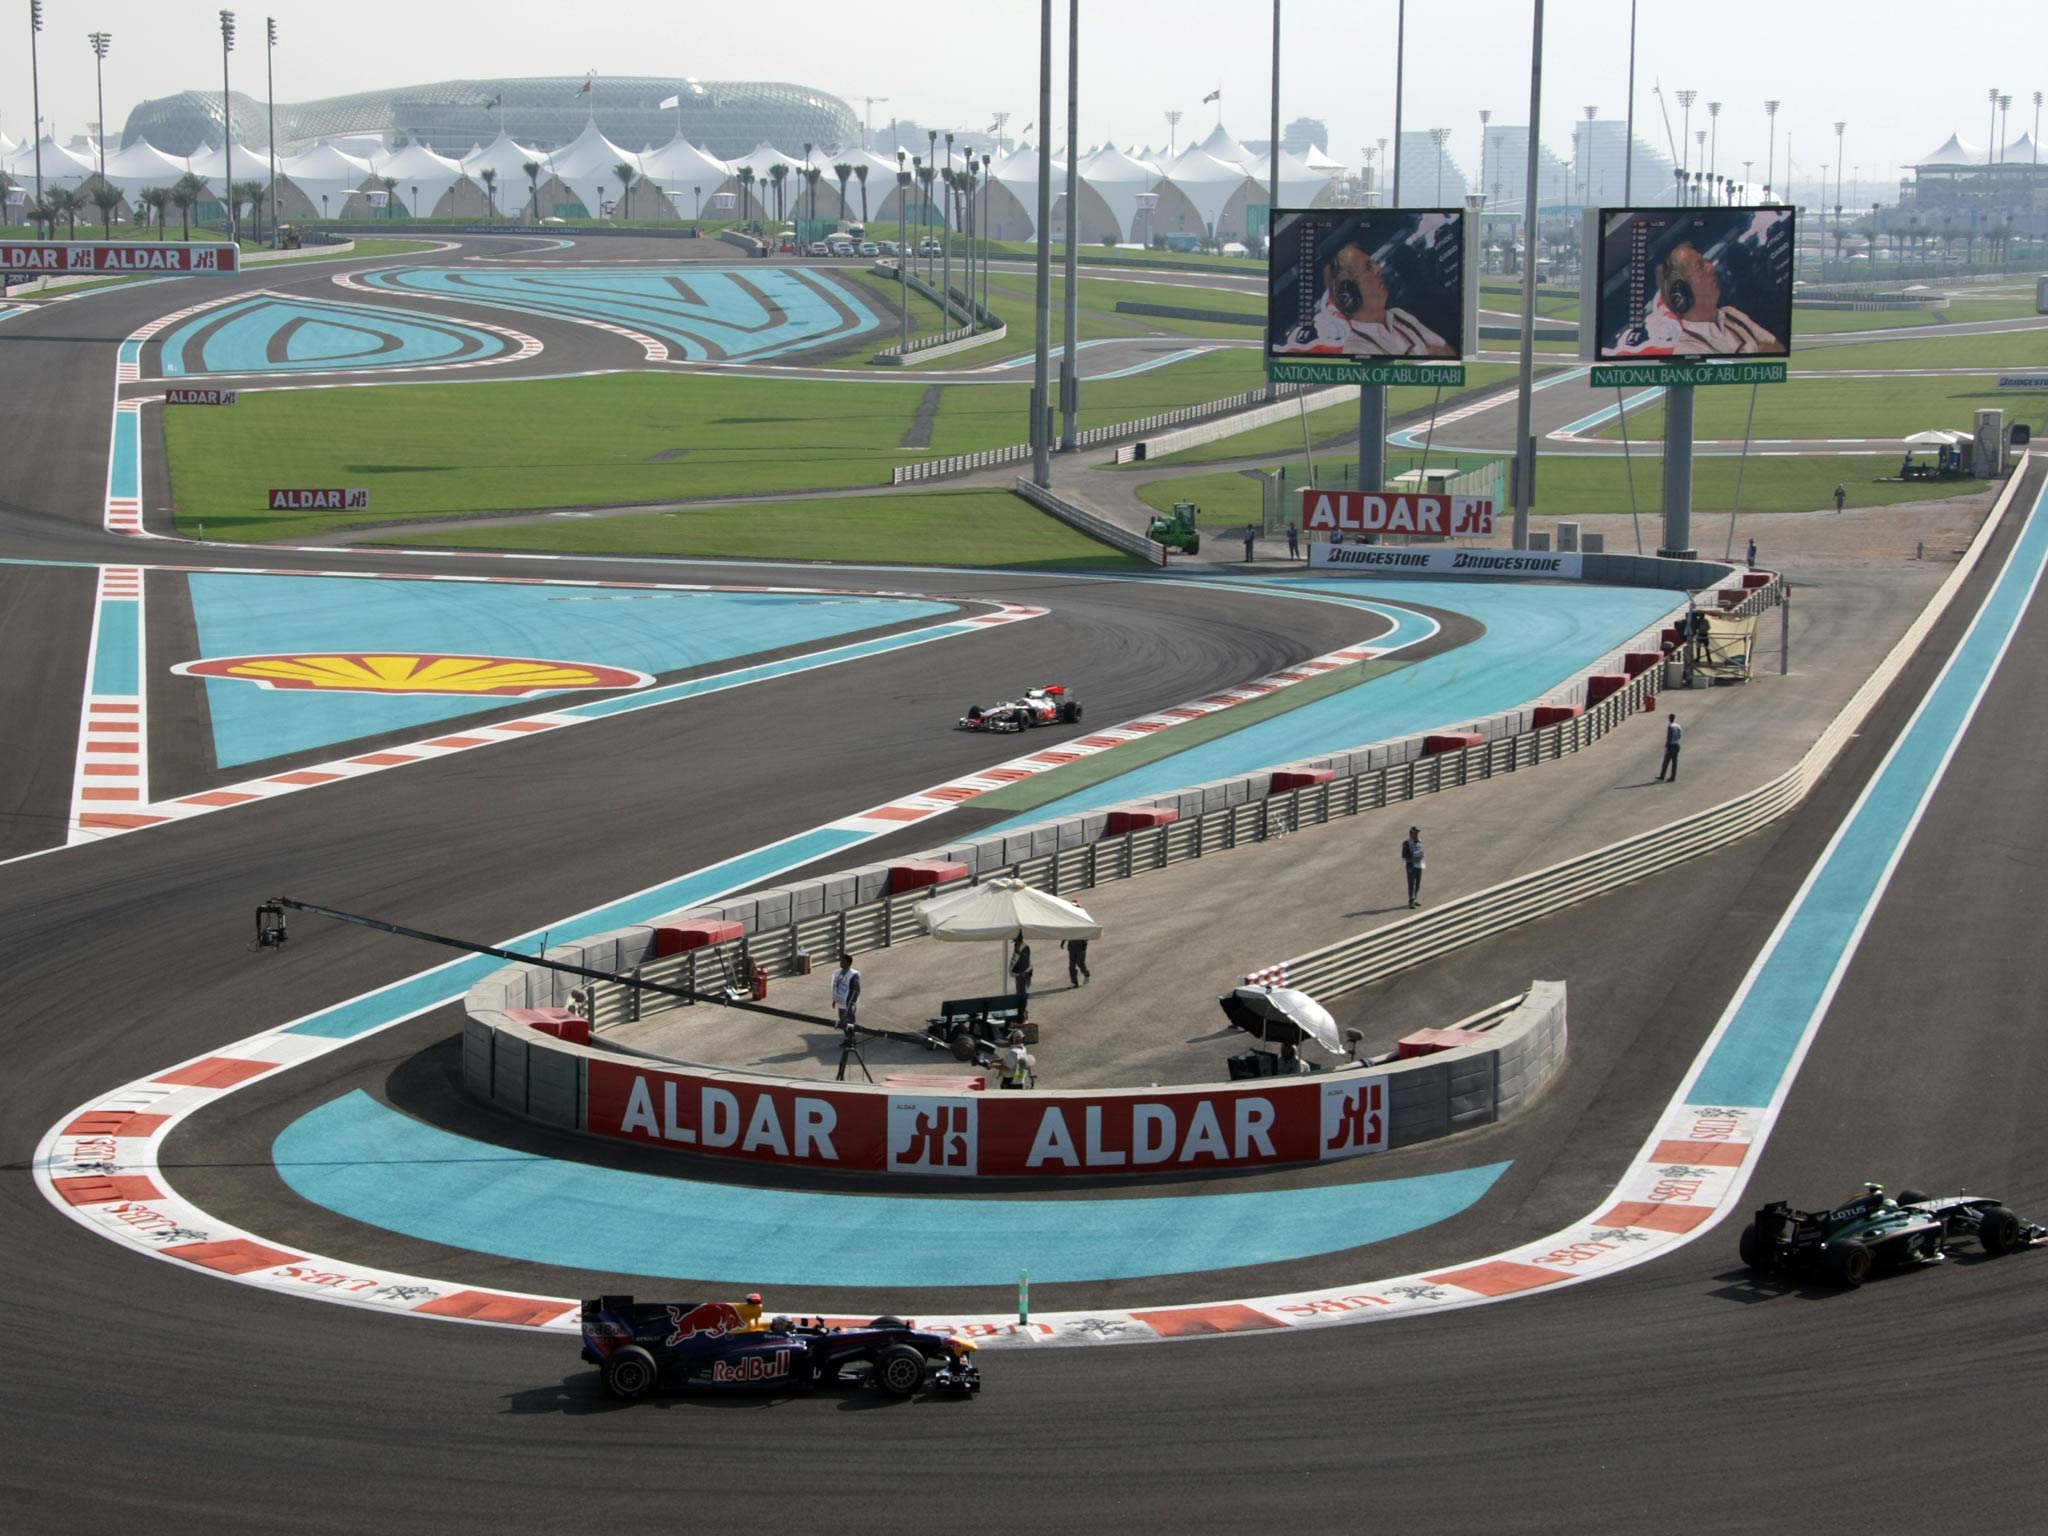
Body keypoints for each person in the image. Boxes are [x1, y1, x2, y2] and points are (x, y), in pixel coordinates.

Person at [1275, 240, 1456, 358]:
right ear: (1349, 293)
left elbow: (1449, 352)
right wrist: (1428, 351)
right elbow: (1427, 361)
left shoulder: (1400, 315)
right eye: (1368, 268)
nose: (1378, 270)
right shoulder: (1355, 346)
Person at [1611, 243, 1779, 357]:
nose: (1711, 267)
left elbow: (1779, 348)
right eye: (1700, 266)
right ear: (1681, 291)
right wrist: (1757, 347)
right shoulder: (1683, 345)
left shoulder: (1731, 314)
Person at [997, 1025, 1036, 1090]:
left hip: (1010, 1081)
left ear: (1013, 1039)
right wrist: (993, 1061)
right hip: (1019, 1080)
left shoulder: (1013, 1052)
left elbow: (1007, 1068)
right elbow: (1009, 1061)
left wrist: (993, 1066)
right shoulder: (1023, 1049)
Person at [831, 952, 861, 1029]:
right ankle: (846, 1037)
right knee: (842, 1020)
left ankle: (850, 1038)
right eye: (840, 961)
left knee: (849, 1022)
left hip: (848, 1003)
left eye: (842, 961)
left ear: (848, 963)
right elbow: (836, 986)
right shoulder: (838, 972)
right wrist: (834, 999)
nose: (840, 963)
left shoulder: (853, 975)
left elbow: (856, 991)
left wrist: (850, 1003)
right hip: (840, 1001)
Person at [1400, 826, 1425, 908]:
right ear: (1411, 833)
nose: (1417, 834)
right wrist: (1413, 856)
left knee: (1417, 883)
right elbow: (1404, 855)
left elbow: (1421, 851)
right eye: (1415, 833)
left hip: (1419, 864)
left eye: (1417, 833)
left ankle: (1415, 899)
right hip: (1411, 866)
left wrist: (1421, 856)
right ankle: (1411, 901)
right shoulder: (1406, 843)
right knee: (1412, 883)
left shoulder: (1419, 841)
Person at [1657, 713, 1683, 782]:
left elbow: (1669, 737)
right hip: (1677, 745)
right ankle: (1673, 777)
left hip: (1671, 746)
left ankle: (1662, 776)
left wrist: (1667, 746)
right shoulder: (1678, 726)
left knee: (1666, 762)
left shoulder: (1670, 727)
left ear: (1669, 719)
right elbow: (1681, 734)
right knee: (1674, 762)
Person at [1009, 937, 1033, 1009]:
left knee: (1021, 994)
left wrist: (1013, 972)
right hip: (1022, 974)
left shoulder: (1023, 947)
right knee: (1020, 993)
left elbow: (1024, 964)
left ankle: (1022, 1012)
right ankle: (1022, 1011)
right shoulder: (1020, 946)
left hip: (1023, 974)